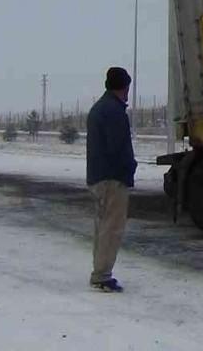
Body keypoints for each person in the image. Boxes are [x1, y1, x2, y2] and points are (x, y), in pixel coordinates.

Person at [86, 66, 137, 292]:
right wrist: (129, 167)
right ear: (123, 87)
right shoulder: (114, 112)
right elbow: (118, 147)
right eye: (127, 87)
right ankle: (102, 276)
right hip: (112, 178)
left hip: (98, 176)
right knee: (112, 228)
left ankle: (100, 271)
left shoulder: (99, 108)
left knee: (102, 227)